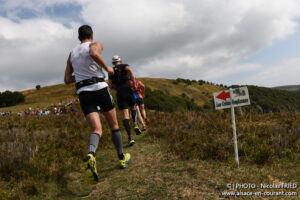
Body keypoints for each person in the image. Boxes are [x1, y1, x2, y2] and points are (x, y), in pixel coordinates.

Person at [64, 25, 131, 183]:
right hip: (99, 88)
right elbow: (94, 53)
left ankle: (91, 155)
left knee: (96, 129)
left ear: (78, 37)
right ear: (91, 35)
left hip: (83, 92)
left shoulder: (71, 54)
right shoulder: (95, 44)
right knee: (114, 125)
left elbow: (67, 79)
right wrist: (107, 68)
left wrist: (81, 75)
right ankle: (121, 158)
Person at [108, 55, 142, 146]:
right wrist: (134, 83)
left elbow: (110, 86)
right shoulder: (124, 66)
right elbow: (130, 70)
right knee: (133, 107)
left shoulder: (111, 71)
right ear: (120, 60)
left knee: (125, 115)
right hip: (128, 89)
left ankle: (130, 137)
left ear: (113, 63)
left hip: (120, 93)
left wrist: (116, 87)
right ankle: (135, 124)